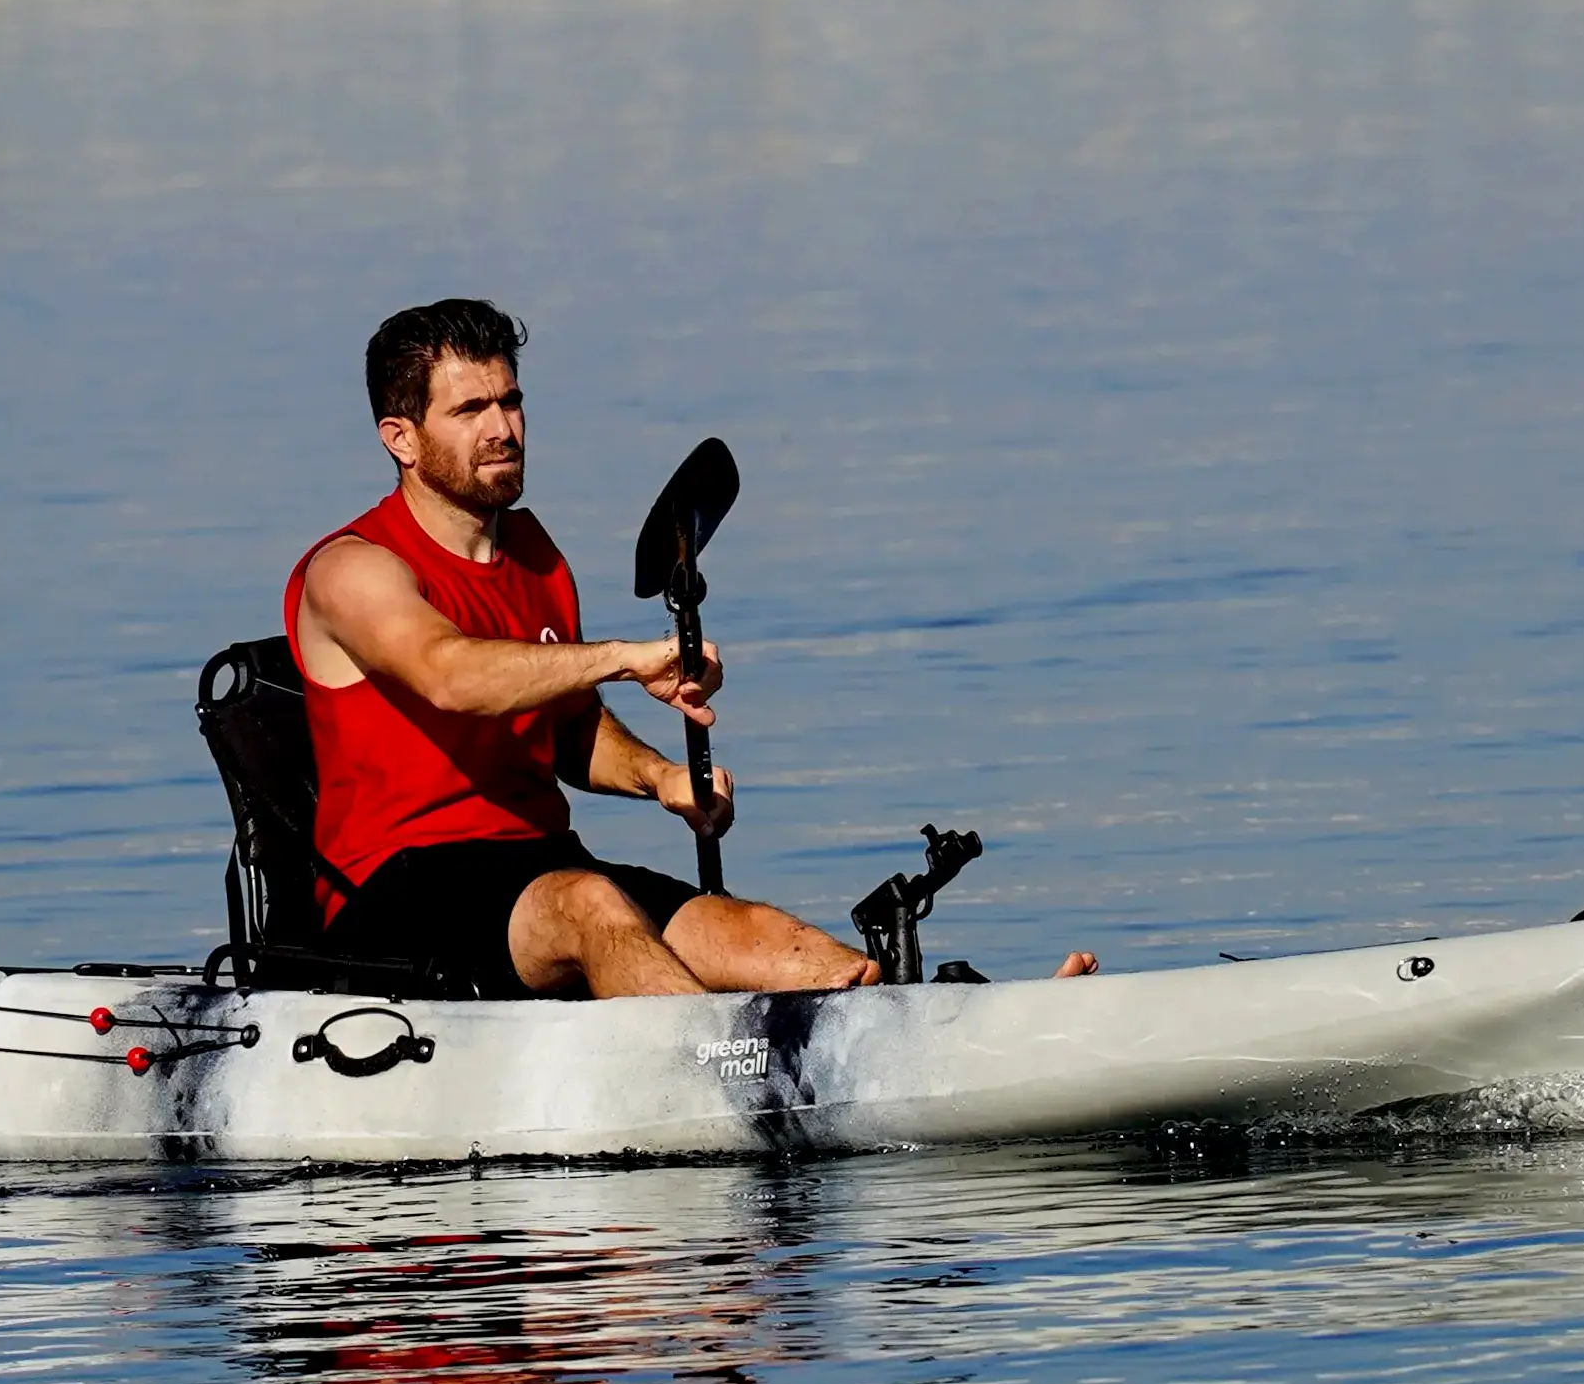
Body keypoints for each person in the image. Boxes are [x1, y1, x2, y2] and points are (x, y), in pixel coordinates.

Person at [289, 297, 1098, 1000]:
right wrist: (623, 656)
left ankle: (955, 1035)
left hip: (537, 867)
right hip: (396, 896)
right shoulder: (353, 570)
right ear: (401, 436)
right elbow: (450, 677)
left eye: (512, 401)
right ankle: (715, 1083)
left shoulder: (535, 554)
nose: (503, 429)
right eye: (470, 411)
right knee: (594, 907)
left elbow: (569, 731)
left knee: (761, 936)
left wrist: (663, 779)